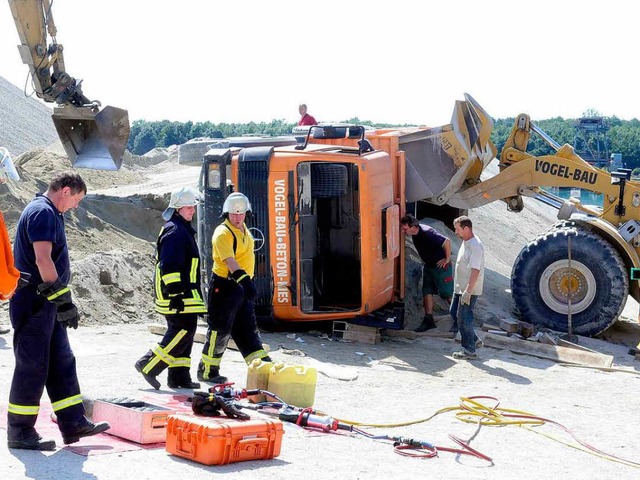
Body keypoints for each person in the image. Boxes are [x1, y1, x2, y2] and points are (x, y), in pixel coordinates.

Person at [7, 172, 109, 450]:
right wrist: (63, 300)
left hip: (45, 302)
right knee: (32, 366)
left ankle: (73, 421)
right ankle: (19, 431)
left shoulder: (50, 212)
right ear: (65, 190)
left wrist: (60, 301)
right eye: (77, 199)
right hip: (34, 303)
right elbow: (42, 259)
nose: (76, 205)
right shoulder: (42, 212)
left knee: (62, 360)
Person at [135, 187, 207, 390]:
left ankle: (179, 377)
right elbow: (170, 265)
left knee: (187, 332)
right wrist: (175, 293)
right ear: (177, 209)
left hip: (184, 294)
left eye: (193, 206)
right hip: (176, 294)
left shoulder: (181, 229)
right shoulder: (175, 231)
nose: (192, 210)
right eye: (188, 207)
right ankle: (148, 365)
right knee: (182, 331)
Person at [197, 192, 271, 384]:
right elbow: (230, 261)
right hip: (225, 287)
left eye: (241, 213)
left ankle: (262, 368)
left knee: (247, 328)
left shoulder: (243, 228)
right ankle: (207, 371)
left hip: (240, 287)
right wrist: (246, 281)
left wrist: (246, 283)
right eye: (234, 214)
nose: (238, 217)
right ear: (226, 213)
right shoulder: (223, 233)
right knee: (220, 329)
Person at [400, 214, 453, 332]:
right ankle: (428, 320)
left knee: (447, 293)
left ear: (413, 226)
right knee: (427, 291)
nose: (404, 232)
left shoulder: (427, 232)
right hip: (429, 265)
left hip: (441, 267)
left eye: (405, 229)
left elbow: (447, 242)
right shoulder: (415, 233)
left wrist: (447, 259)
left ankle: (458, 319)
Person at [450, 215, 485, 360]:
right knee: (454, 313)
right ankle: (474, 340)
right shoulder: (466, 241)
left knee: (464, 319)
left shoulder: (475, 246)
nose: (456, 232)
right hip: (460, 288)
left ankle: (469, 350)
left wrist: (468, 292)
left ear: (466, 228)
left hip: (468, 290)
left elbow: (475, 270)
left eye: (458, 229)